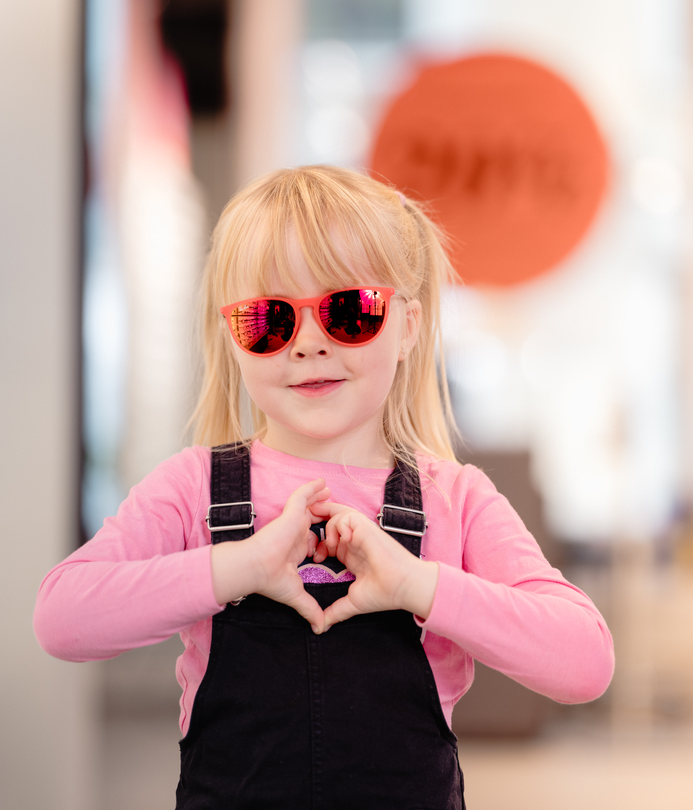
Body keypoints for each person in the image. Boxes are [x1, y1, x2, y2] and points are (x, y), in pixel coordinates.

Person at [34, 166, 614, 809]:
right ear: (233, 340)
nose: (308, 344)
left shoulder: (457, 501)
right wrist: (239, 566)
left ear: (408, 327)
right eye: (268, 319)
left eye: (349, 312)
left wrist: (415, 583)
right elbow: (63, 618)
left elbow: (584, 661)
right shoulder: (192, 488)